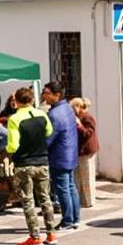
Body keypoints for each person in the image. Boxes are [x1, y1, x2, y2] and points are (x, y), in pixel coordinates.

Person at [6, 87, 57, 245]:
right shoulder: (42, 114)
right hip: (42, 161)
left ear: (17, 101)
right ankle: (51, 233)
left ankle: (35, 236)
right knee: (45, 198)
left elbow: (13, 146)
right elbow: (49, 131)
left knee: (28, 200)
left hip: (24, 164)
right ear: (32, 100)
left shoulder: (14, 119)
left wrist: (7, 149)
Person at [42, 82, 81, 231]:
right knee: (70, 186)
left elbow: (49, 138)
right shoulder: (67, 108)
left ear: (56, 95)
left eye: (47, 93)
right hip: (69, 153)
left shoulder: (54, 114)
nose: (44, 95)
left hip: (59, 155)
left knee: (63, 189)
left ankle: (67, 220)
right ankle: (75, 218)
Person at [70, 97, 99, 208]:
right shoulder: (80, 117)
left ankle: (89, 201)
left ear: (78, 107)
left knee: (87, 177)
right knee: (79, 176)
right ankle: (81, 200)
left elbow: (88, 133)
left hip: (87, 150)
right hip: (80, 150)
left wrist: (79, 126)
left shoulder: (87, 117)